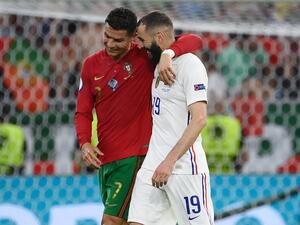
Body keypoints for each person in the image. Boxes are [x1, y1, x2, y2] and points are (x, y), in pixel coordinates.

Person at [75, 7, 202, 225]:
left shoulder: (144, 56)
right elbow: (83, 111)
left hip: (135, 156)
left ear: (132, 38)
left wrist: (167, 54)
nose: (110, 44)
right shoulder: (90, 65)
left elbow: (195, 40)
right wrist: (85, 142)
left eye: (118, 40)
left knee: (111, 221)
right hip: (106, 158)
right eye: (107, 36)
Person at [128, 11, 214, 225]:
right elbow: (188, 40)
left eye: (142, 40)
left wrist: (169, 162)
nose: (139, 45)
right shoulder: (157, 63)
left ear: (159, 38)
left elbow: (199, 120)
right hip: (153, 165)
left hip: (184, 169)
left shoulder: (190, 66)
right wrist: (167, 54)